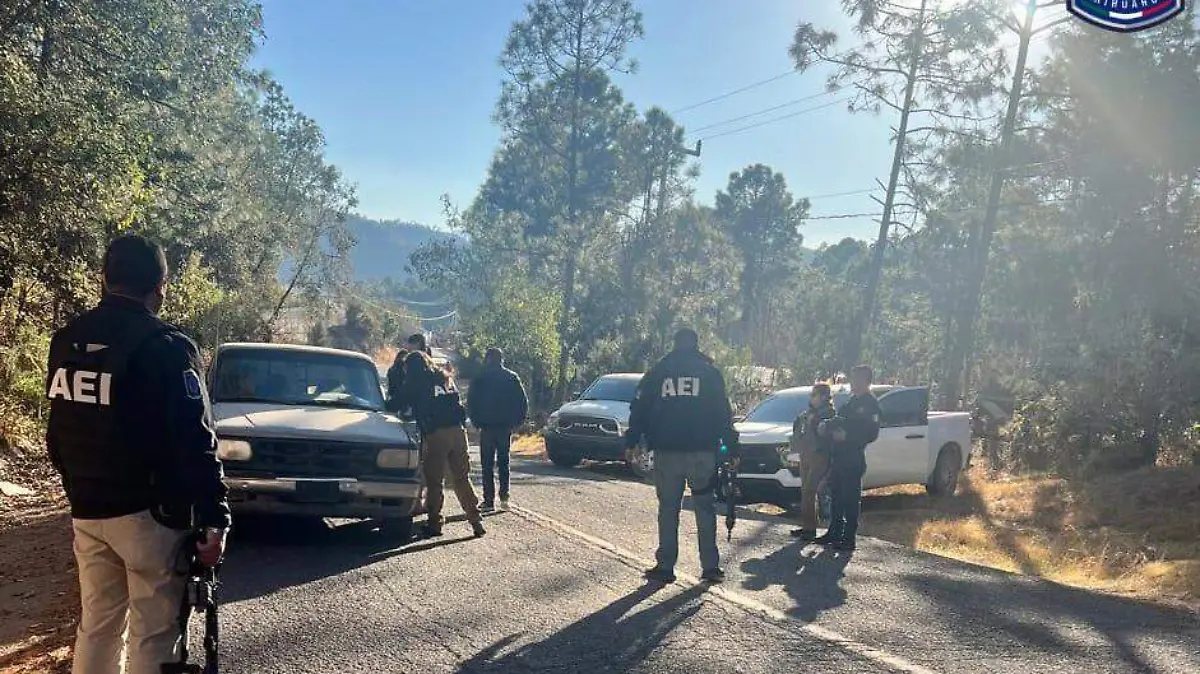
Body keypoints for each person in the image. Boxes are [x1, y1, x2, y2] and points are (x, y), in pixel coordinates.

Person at [45, 235, 230, 674]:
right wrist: (215, 515)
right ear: (160, 286)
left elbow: (57, 432)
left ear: (104, 278)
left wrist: (77, 487)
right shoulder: (168, 347)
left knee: (98, 624)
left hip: (88, 510)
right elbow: (195, 439)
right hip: (150, 517)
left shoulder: (67, 340)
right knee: (155, 632)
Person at [625, 328, 739, 584]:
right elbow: (723, 413)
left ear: (674, 345)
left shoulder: (659, 371)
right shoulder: (709, 373)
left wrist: (632, 441)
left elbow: (640, 408)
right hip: (702, 452)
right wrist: (731, 448)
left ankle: (665, 566)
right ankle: (710, 567)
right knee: (705, 507)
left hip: (668, 452)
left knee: (668, 509)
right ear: (696, 345)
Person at [397, 349, 486, 538]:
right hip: (458, 432)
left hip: (437, 433)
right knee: (461, 477)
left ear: (411, 367)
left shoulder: (417, 380)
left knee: (434, 480)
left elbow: (398, 401)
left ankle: (434, 523)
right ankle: (475, 520)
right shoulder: (445, 378)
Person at [816, 365, 881, 551]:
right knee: (836, 496)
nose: (852, 382)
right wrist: (826, 425)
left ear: (866, 381)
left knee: (850, 499)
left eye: (856, 379)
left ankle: (849, 537)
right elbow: (840, 419)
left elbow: (871, 433)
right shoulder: (851, 402)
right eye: (852, 378)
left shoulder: (870, 404)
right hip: (839, 456)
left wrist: (848, 437)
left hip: (853, 456)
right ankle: (834, 532)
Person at [467, 347, 529, 511]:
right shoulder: (511, 377)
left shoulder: (480, 378)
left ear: (487, 359)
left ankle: (489, 500)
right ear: (501, 359)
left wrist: (475, 421)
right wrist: (517, 422)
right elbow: (522, 402)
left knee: (487, 464)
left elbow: (471, 401)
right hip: (505, 426)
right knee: (503, 462)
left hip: (486, 426)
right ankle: (504, 496)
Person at [789, 383, 837, 541]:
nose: (811, 398)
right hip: (806, 454)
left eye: (814, 395)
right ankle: (808, 526)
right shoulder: (808, 413)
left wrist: (814, 420)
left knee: (811, 491)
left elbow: (827, 436)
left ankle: (813, 529)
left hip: (819, 456)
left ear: (823, 396)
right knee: (805, 492)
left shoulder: (828, 413)